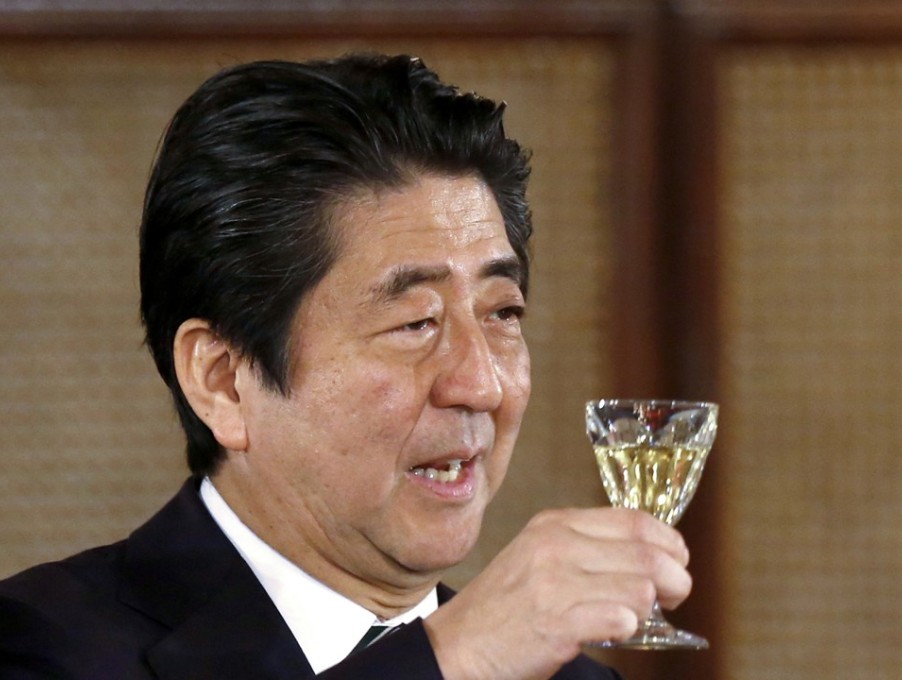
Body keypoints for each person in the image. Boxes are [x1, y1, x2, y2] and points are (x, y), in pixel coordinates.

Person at [0, 53, 693, 679]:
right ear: (222, 381)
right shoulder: (44, 645)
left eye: (502, 314)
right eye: (415, 323)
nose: (481, 385)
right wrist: (451, 659)